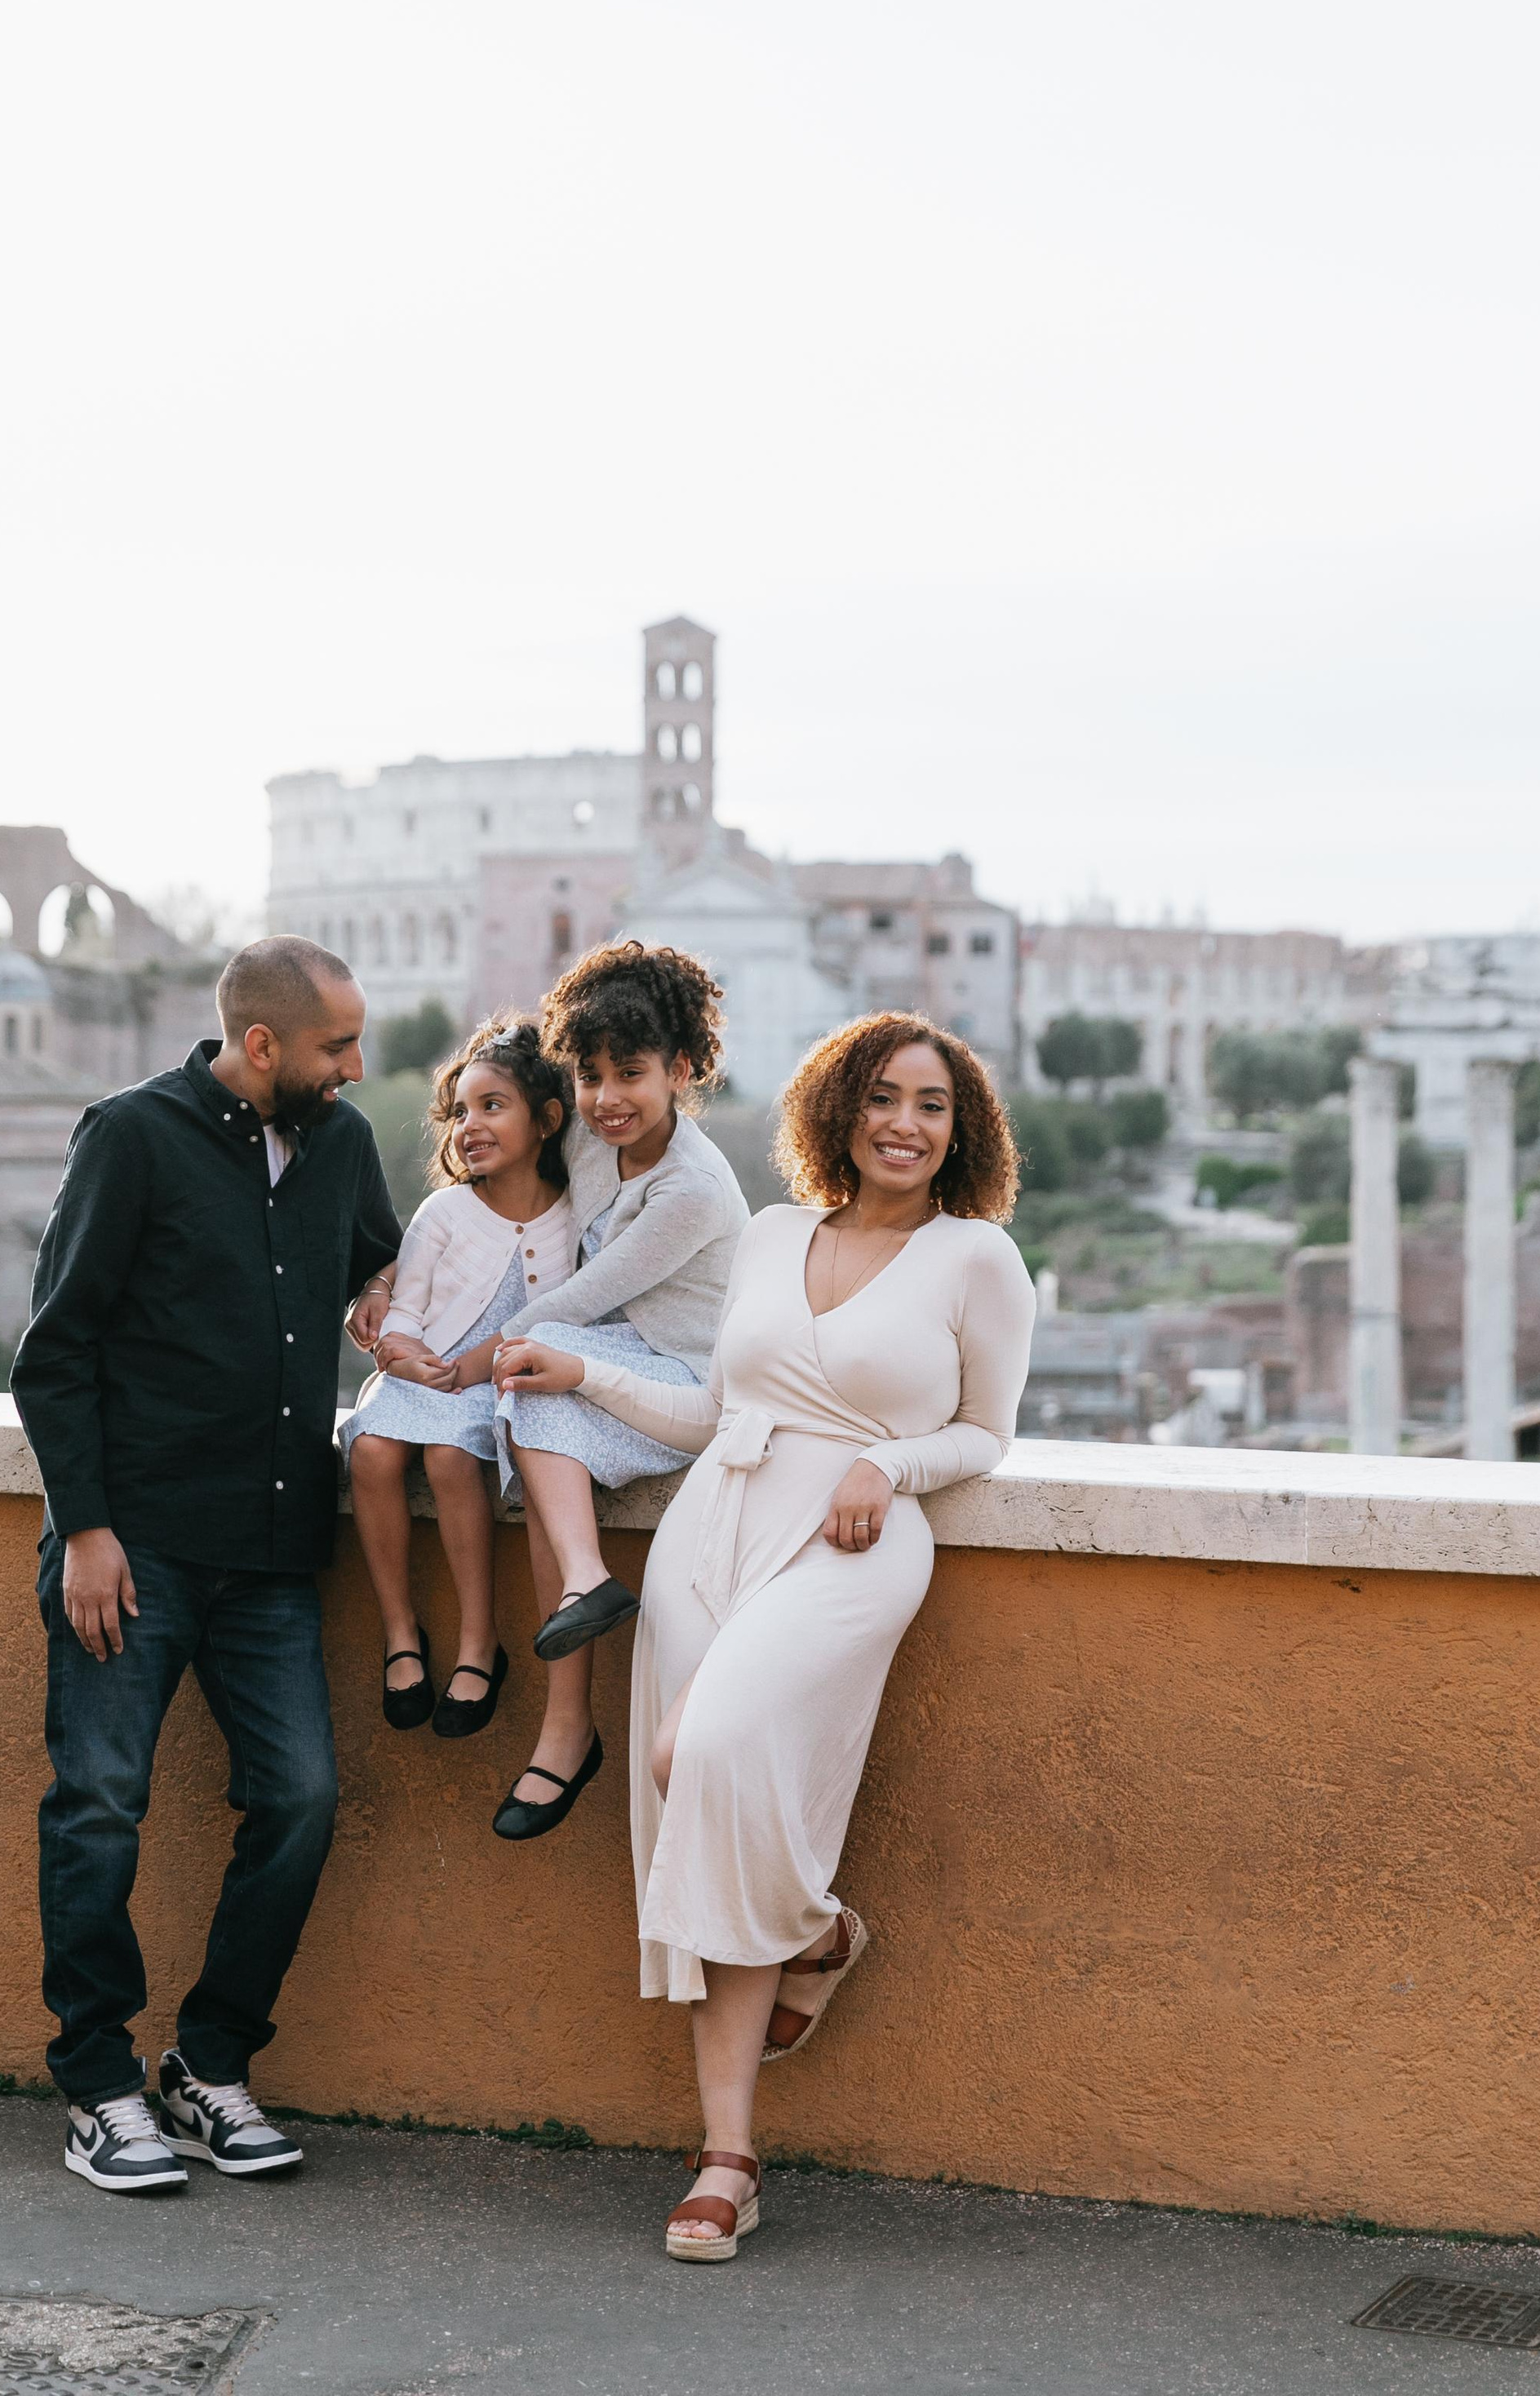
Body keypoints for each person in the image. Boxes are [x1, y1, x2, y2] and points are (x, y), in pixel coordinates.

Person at [493, 1011, 1034, 2259]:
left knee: (706, 1755)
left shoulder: (977, 1260)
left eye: (933, 1105)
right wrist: (590, 1383)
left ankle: (819, 1932)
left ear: (962, 1132)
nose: (907, 1123)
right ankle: (728, 2155)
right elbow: (710, 1412)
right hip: (713, 1523)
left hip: (852, 1543)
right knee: (707, 1802)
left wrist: (889, 1466)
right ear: (839, 1110)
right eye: (885, 1097)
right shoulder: (776, 1234)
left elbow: (988, 1436)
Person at [11, 936, 402, 2195]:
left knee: (298, 1802)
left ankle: (208, 2062)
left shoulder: (339, 1143)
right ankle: (100, 2088)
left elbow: (375, 1264)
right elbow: (54, 1350)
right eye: (339, 1045)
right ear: (264, 1044)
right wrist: (85, 1530)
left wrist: (382, 1299)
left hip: (278, 1555)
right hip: (135, 1550)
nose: (358, 1066)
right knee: (99, 1809)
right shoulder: (130, 1135)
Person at [482, 942, 748, 1841]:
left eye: (631, 1073)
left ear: (680, 1069)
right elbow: (490, 1104)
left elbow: (580, 1299)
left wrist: (480, 1352)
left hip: (686, 1380)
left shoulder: (695, 1189)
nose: (606, 1099)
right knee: (530, 1398)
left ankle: (566, 1725)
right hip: (618, 1349)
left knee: (529, 1366)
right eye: (589, 1075)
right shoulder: (595, 1139)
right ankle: (582, 1602)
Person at [339, 1018, 574, 1737]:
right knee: (374, 1452)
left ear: (547, 1121)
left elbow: (569, 1319)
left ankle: (480, 1642)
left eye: (493, 1106)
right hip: (421, 1375)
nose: (471, 1125)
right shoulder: (444, 1211)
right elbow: (403, 1309)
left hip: (495, 1388)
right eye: (462, 1111)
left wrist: (479, 1369)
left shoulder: (577, 1220)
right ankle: (401, 1631)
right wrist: (400, 1355)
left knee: (448, 1459)